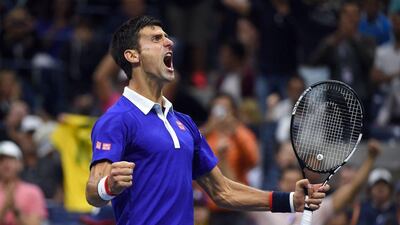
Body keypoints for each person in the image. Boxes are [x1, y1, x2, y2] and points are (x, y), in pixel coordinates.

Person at [85, 16, 329, 225]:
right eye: (156, 39)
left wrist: (289, 201)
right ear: (132, 55)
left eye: (166, 37)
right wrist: (109, 186)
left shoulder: (185, 123)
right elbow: (92, 191)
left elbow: (222, 191)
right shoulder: (116, 120)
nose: (168, 42)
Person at [250, 138, 382, 225]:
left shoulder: (316, 207)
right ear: (279, 183)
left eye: (294, 181)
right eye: (287, 181)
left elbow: (353, 188)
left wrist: (371, 158)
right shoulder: (266, 207)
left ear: (302, 184)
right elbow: (235, 192)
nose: (291, 184)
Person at [0, 140, 48, 225]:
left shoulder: (33, 191)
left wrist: (15, 209)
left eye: (11, 159)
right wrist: (6, 206)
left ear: (20, 164)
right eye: (2, 160)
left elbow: (34, 223)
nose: (6, 163)